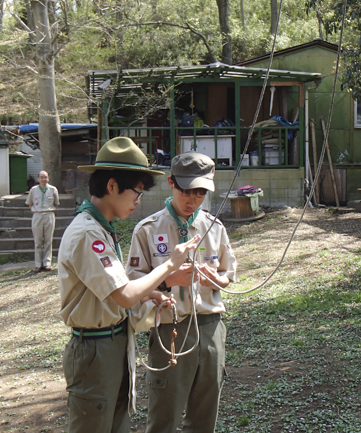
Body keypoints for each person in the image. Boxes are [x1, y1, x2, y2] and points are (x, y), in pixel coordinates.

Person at [58, 136, 200, 433]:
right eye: (136, 192)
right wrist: (169, 267)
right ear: (112, 186)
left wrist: (150, 296)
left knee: (117, 423)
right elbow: (123, 295)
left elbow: (113, 292)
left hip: (113, 342)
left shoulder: (101, 229)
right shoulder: (88, 233)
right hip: (95, 347)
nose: (138, 201)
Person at [127, 151, 237, 433]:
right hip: (170, 329)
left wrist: (218, 281)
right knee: (164, 415)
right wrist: (167, 280)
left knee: (204, 415)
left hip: (211, 328)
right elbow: (131, 285)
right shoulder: (148, 230)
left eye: (200, 192)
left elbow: (228, 273)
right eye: (187, 191)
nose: (193, 200)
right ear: (171, 183)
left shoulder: (214, 228)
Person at [26, 170, 60, 272]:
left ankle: (47, 263)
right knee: (38, 241)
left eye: (45, 177)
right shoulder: (33, 190)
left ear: (48, 178)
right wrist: (34, 211)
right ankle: (38, 264)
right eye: (41, 177)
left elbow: (56, 203)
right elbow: (30, 203)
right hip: (37, 215)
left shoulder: (53, 189)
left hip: (49, 214)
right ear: (38, 179)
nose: (43, 179)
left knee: (48, 240)